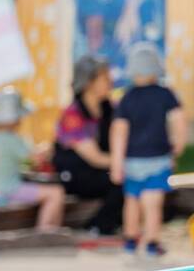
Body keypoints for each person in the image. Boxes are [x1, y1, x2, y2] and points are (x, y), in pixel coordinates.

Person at [109, 43, 185, 259]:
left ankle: (131, 240)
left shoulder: (127, 98)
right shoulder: (165, 95)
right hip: (158, 158)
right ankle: (152, 243)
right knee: (153, 204)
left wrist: (116, 163)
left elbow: (119, 132)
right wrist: (178, 144)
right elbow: (179, 120)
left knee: (132, 200)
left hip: (132, 160)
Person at [53, 55, 134, 238]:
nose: (110, 81)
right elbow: (95, 158)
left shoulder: (109, 108)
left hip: (101, 170)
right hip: (76, 174)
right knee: (121, 181)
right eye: (104, 77)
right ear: (89, 82)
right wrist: (127, 164)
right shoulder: (73, 115)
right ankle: (97, 227)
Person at [0, 86, 66, 229]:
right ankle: (44, 231)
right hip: (12, 191)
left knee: (50, 192)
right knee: (56, 193)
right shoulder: (15, 139)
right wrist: (47, 148)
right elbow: (35, 158)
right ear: (16, 118)